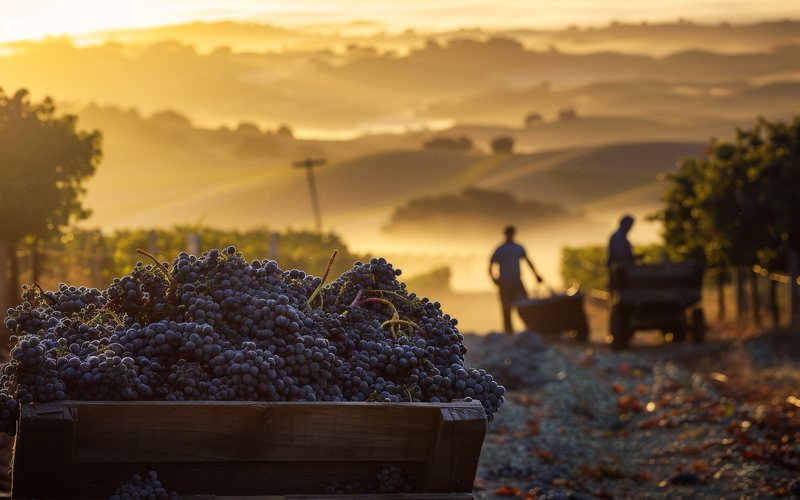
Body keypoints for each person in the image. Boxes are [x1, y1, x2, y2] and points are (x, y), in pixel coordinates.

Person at [489, 225, 542, 333]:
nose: (510, 235)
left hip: (517, 281)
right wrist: (494, 279)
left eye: (512, 233)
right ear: (505, 234)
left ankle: (530, 329)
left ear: (514, 234)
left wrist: (536, 275)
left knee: (525, 305)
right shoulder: (500, 249)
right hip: (504, 283)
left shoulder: (518, 247)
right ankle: (509, 333)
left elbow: (527, 261)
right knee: (506, 309)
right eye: (509, 233)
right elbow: (490, 266)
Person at [607, 214, 642, 288]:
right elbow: (619, 256)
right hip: (621, 272)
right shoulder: (618, 237)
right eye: (629, 225)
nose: (630, 228)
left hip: (622, 271)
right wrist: (635, 257)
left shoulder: (619, 236)